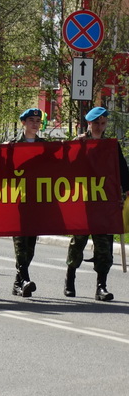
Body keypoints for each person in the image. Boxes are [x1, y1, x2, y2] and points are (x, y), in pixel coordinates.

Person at [65, 106, 129, 301]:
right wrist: (74, 147)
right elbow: (65, 166)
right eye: (96, 123)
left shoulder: (111, 145)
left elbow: (122, 170)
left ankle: (101, 286)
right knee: (79, 242)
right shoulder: (79, 143)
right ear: (89, 124)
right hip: (83, 202)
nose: (100, 127)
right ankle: (70, 278)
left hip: (104, 202)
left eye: (103, 123)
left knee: (104, 246)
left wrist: (125, 193)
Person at [5, 108, 46, 298]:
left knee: (30, 246)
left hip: (37, 201)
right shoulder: (13, 146)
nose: (35, 124)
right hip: (18, 201)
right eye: (31, 120)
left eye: (38, 120)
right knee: (20, 243)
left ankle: (18, 282)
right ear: (23, 123)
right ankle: (25, 278)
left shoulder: (46, 146)